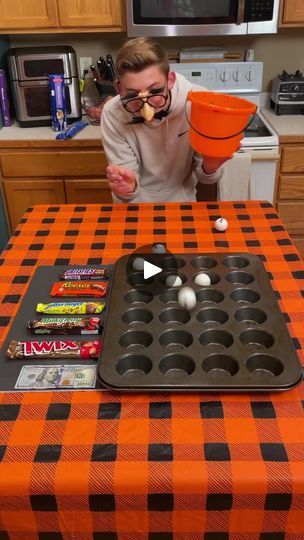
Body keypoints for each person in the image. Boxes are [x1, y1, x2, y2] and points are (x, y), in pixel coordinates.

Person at [100, 37, 233, 204]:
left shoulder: (197, 104)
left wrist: (211, 165)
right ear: (119, 88)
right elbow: (127, 186)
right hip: (133, 206)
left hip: (183, 201)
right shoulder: (113, 114)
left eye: (155, 90)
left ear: (170, 80)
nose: (146, 104)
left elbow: (206, 179)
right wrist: (127, 187)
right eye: (133, 94)